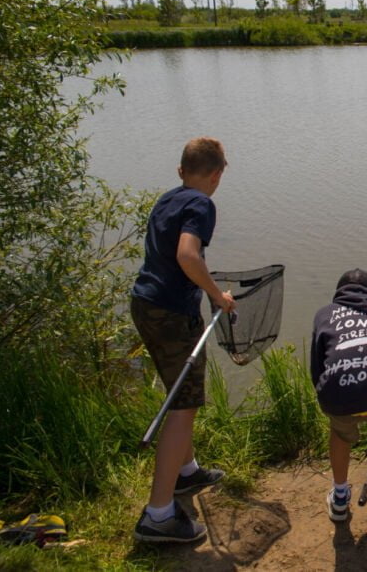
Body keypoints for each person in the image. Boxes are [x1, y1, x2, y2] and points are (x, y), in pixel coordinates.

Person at [130, 137, 236, 543]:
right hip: (173, 314)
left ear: (180, 171)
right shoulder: (201, 204)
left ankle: (186, 472)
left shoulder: (168, 199)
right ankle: (157, 515)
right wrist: (215, 294)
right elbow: (188, 255)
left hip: (145, 303)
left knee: (177, 395)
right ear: (215, 174)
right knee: (184, 406)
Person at [310, 268, 367, 522]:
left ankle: (340, 497)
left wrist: (330, 397)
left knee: (340, 433)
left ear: (338, 295)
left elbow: (317, 368)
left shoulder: (324, 315)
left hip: (339, 399)